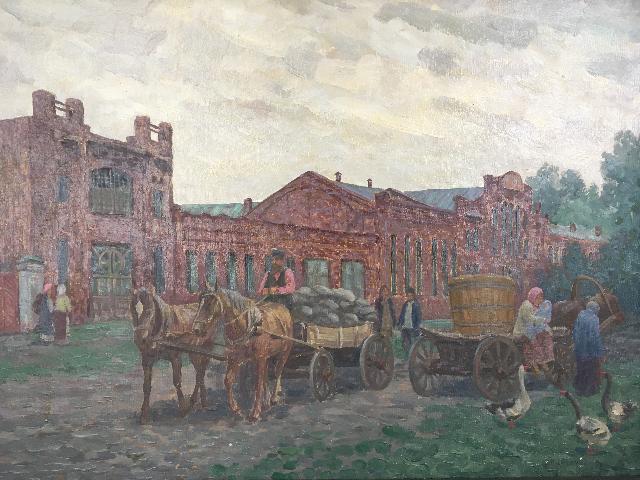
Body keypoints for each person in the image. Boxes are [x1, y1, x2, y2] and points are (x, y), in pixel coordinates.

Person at [513, 287, 554, 375]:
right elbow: (530, 319)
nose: (540, 300)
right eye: (538, 298)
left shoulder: (532, 306)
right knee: (535, 344)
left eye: (541, 298)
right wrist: (542, 320)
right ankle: (538, 363)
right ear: (533, 296)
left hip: (527, 331)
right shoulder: (527, 305)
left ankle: (538, 363)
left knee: (537, 339)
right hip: (521, 332)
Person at [573, 301, 605, 397]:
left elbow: (575, 332)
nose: (598, 311)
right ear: (594, 309)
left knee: (581, 369)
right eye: (597, 309)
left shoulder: (580, 315)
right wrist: (599, 352)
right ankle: (589, 391)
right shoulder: (594, 318)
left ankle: (579, 390)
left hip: (579, 348)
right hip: (590, 350)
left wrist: (577, 344)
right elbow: (595, 336)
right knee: (591, 370)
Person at [397, 287, 422, 354]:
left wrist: (417, 327)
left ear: (414, 296)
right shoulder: (405, 304)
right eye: (408, 296)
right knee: (404, 342)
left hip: (412, 327)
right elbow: (402, 315)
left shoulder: (416, 305)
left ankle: (411, 356)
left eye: (411, 296)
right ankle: (406, 354)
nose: (409, 297)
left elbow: (418, 317)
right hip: (405, 327)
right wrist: (399, 324)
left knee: (412, 343)